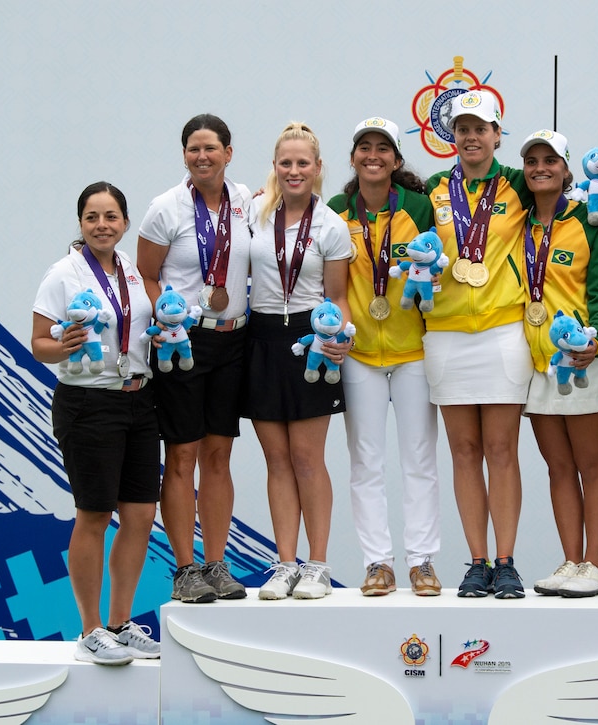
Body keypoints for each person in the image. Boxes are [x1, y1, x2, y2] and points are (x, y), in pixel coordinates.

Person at [32, 182, 161, 665]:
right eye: (92, 217)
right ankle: (89, 629)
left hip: (139, 402)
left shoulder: (131, 269)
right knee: (93, 515)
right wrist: (60, 344)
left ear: (125, 222)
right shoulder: (63, 273)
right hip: (87, 404)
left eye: (111, 216)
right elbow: (38, 344)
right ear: (81, 224)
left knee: (141, 516)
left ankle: (120, 623)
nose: (102, 225)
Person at [136, 114, 253, 603]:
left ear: (229, 152)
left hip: (233, 341)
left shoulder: (248, 201)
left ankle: (217, 564)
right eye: (192, 149)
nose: (201, 157)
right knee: (182, 455)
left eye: (210, 148)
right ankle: (186, 569)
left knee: (219, 456)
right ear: (184, 155)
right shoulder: (166, 208)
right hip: (183, 343)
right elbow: (144, 273)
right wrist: (165, 324)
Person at [326, 117, 442, 597]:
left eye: (383, 148)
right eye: (364, 148)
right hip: (359, 356)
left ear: (396, 159)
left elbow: (438, 270)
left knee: (419, 460)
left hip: (414, 350)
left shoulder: (417, 206)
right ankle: (378, 563)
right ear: (353, 158)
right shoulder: (335, 210)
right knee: (365, 463)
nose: (373, 155)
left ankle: (422, 563)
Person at [424, 90, 533, 598]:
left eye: (481, 128)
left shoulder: (517, 183)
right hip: (445, 336)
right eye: (463, 129)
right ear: (454, 137)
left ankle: (507, 560)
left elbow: (563, 188)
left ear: (496, 135)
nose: (471, 137)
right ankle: (476, 561)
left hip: (503, 331)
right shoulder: (431, 190)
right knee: (464, 452)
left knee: (501, 449)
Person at [245, 122, 352, 601]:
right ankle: (284, 562)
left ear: (317, 168)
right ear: (274, 168)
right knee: (277, 459)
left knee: (308, 459)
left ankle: (318, 565)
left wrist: (341, 339)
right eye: (285, 163)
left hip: (311, 340)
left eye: (302, 163)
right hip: (263, 338)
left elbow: (339, 297)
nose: (293, 171)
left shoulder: (330, 225)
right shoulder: (253, 215)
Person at [517, 130, 598, 598]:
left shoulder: (590, 220)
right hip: (538, 362)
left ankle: (595, 565)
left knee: (591, 464)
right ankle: (570, 561)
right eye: (532, 161)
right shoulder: (515, 221)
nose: (541, 168)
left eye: (550, 161)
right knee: (558, 467)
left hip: (585, 359)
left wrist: (595, 340)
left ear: (566, 169)